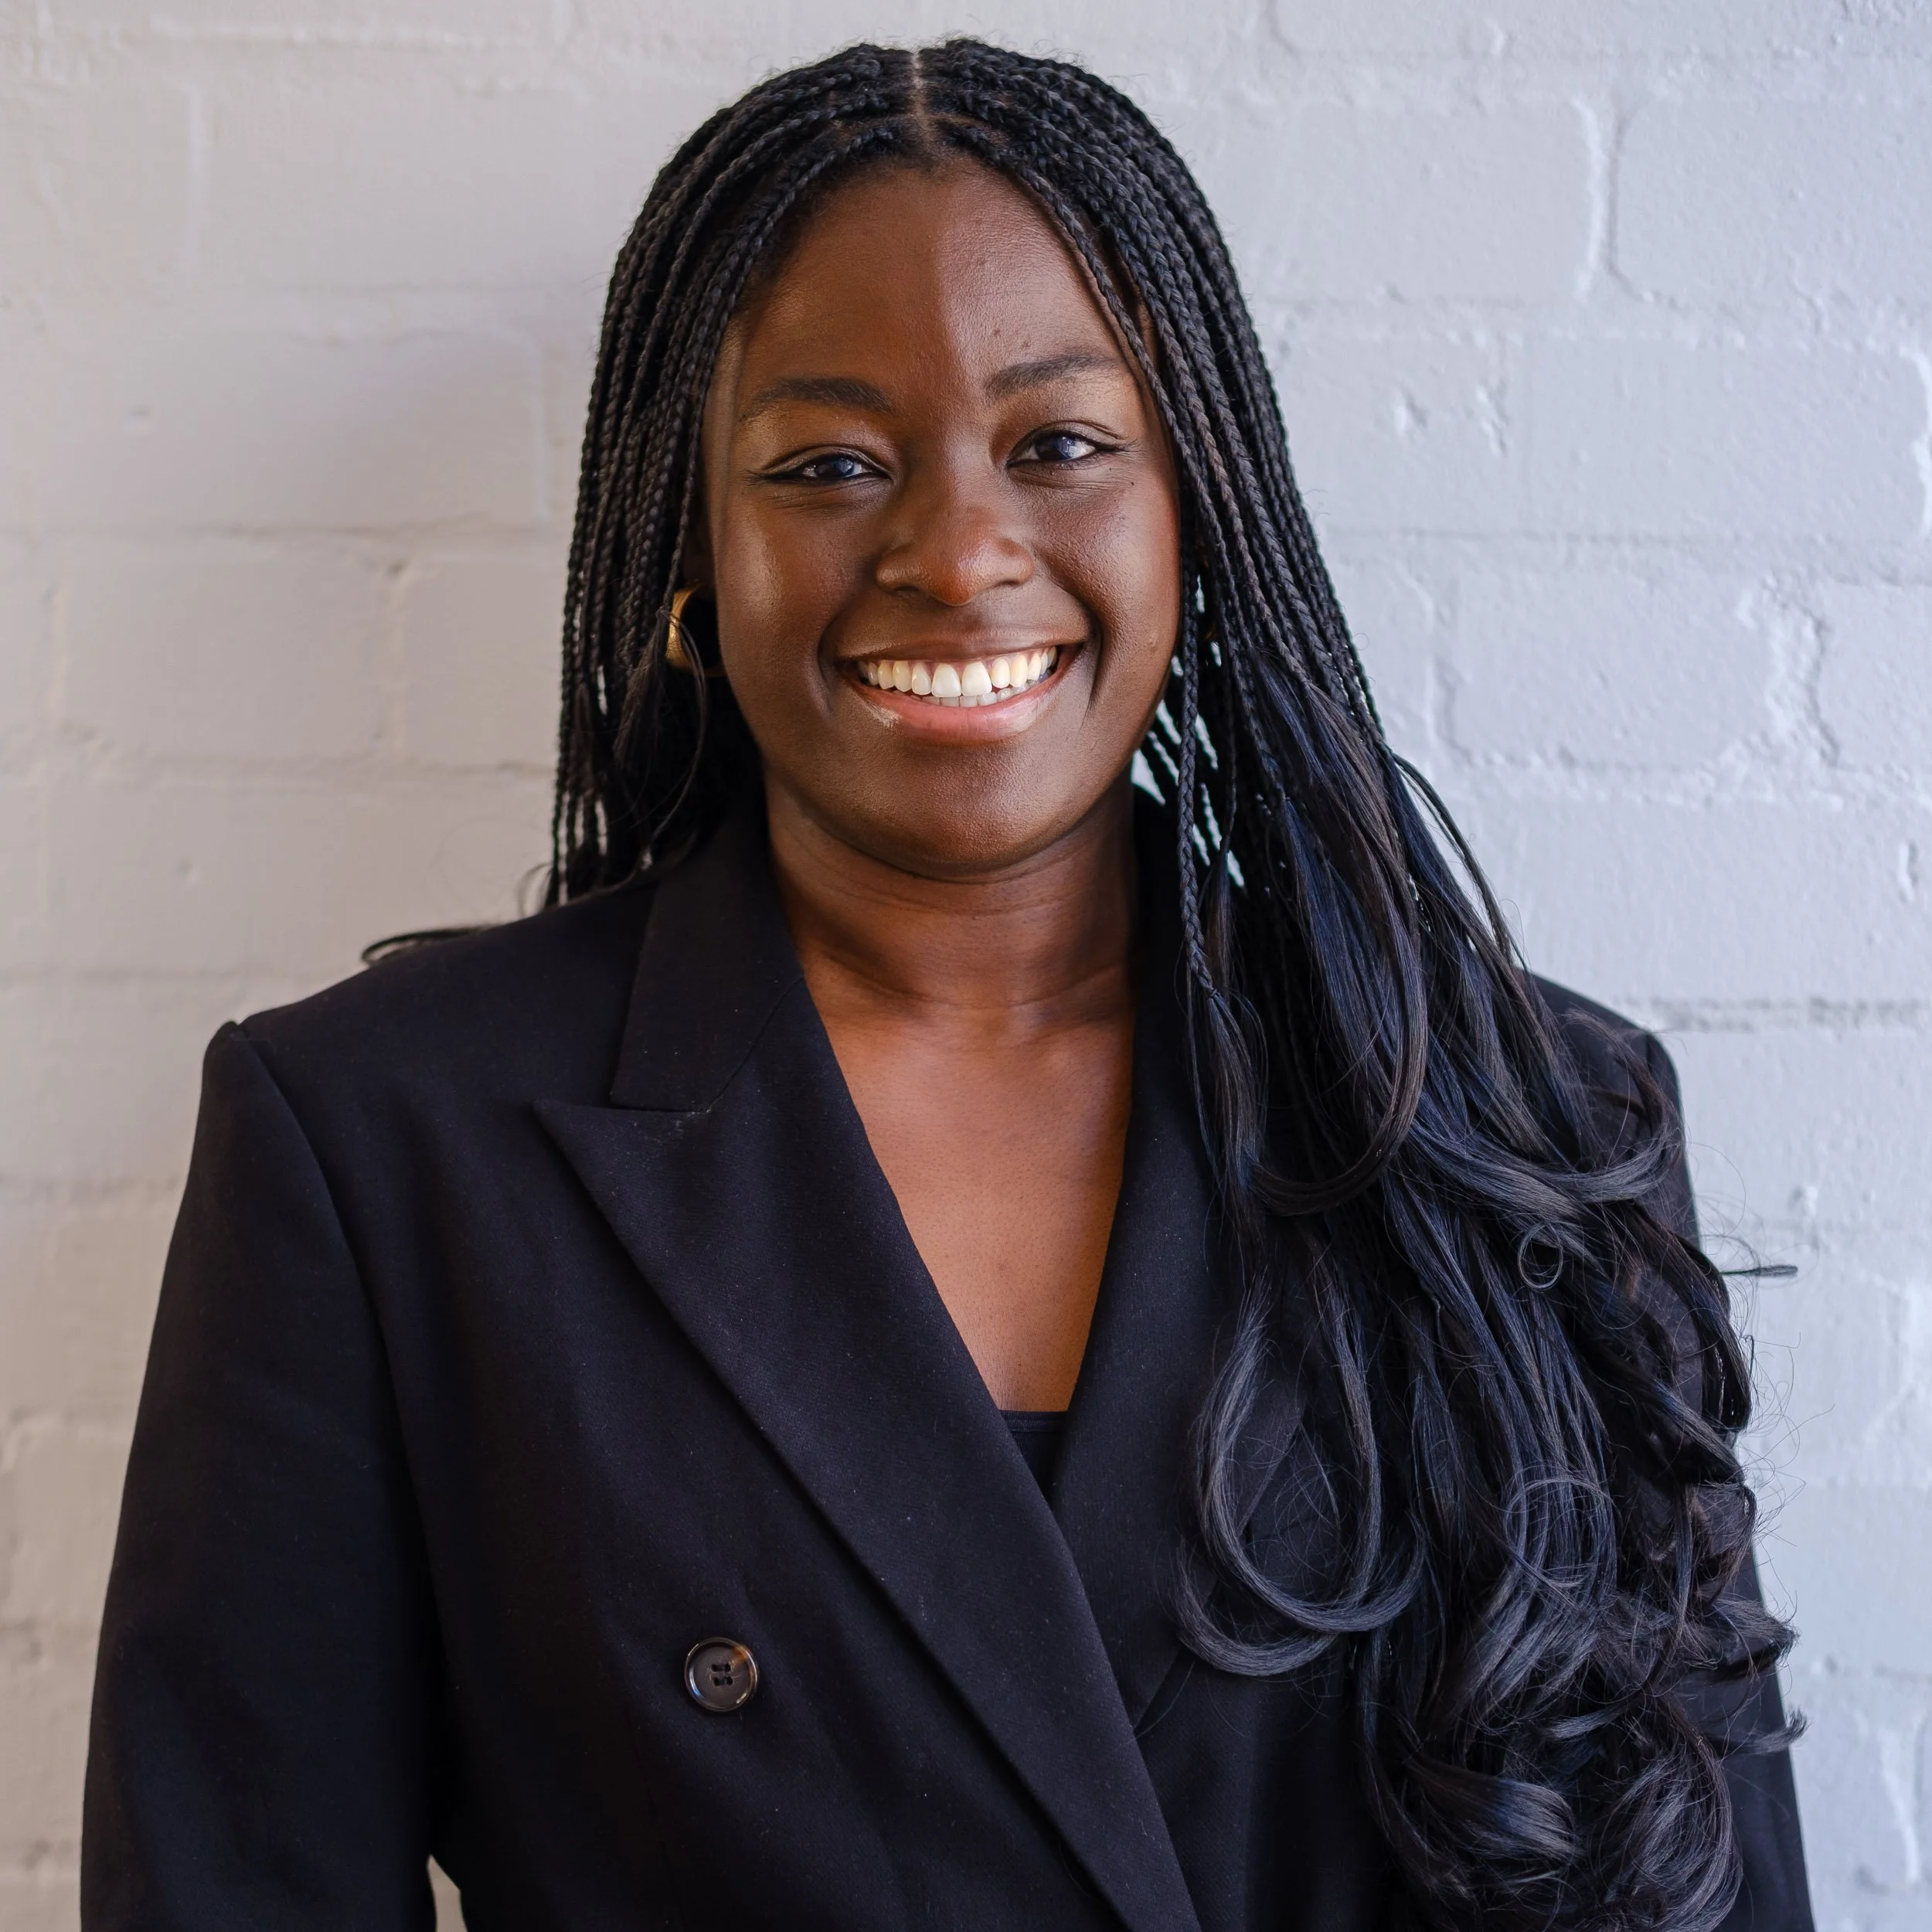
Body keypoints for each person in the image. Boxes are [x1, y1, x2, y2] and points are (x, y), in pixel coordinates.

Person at [82, 39, 1811, 1932]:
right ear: (691, 555)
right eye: (828, 463)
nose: (956, 547)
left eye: (1059, 445)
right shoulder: (380, 1146)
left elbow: (1691, 1881)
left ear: (1196, 523)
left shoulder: (1516, 1122)